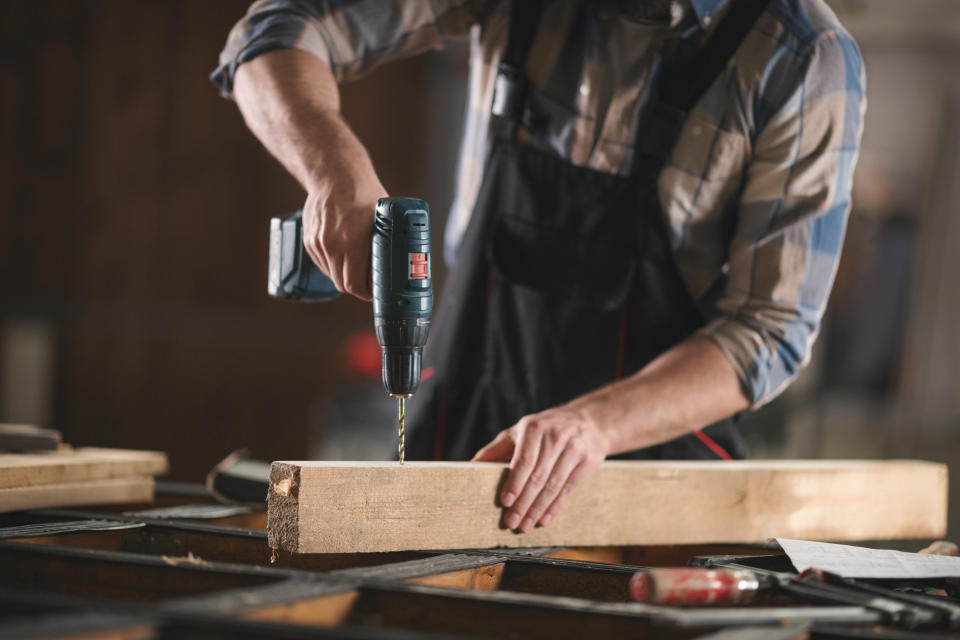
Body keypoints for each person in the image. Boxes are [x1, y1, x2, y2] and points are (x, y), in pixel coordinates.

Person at [213, 0, 865, 534]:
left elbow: (769, 331)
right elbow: (273, 31)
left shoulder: (802, 57)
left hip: (646, 484)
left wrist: (592, 425)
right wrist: (333, 170)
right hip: (464, 430)